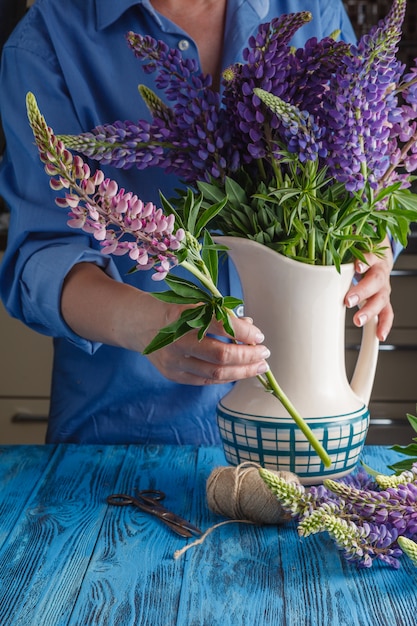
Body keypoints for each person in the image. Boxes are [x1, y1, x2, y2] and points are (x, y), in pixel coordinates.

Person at [0, 0, 394, 445]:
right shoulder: (48, 39)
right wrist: (149, 324)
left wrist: (372, 255)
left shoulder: (314, 10)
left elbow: (362, 171)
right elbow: (40, 258)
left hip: (301, 428)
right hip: (124, 440)